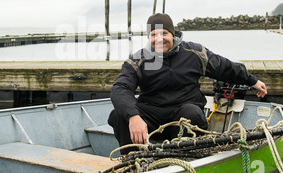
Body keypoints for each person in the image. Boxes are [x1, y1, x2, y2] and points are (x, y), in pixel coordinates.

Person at [108, 13, 267, 153]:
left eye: (163, 33)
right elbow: (120, 87)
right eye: (153, 35)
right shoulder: (139, 59)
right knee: (119, 115)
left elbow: (224, 67)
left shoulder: (194, 52)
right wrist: (133, 116)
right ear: (148, 38)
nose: (159, 39)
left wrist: (252, 80)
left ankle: (186, 157)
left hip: (184, 111)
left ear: (173, 34)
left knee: (192, 114)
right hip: (152, 114)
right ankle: (132, 159)